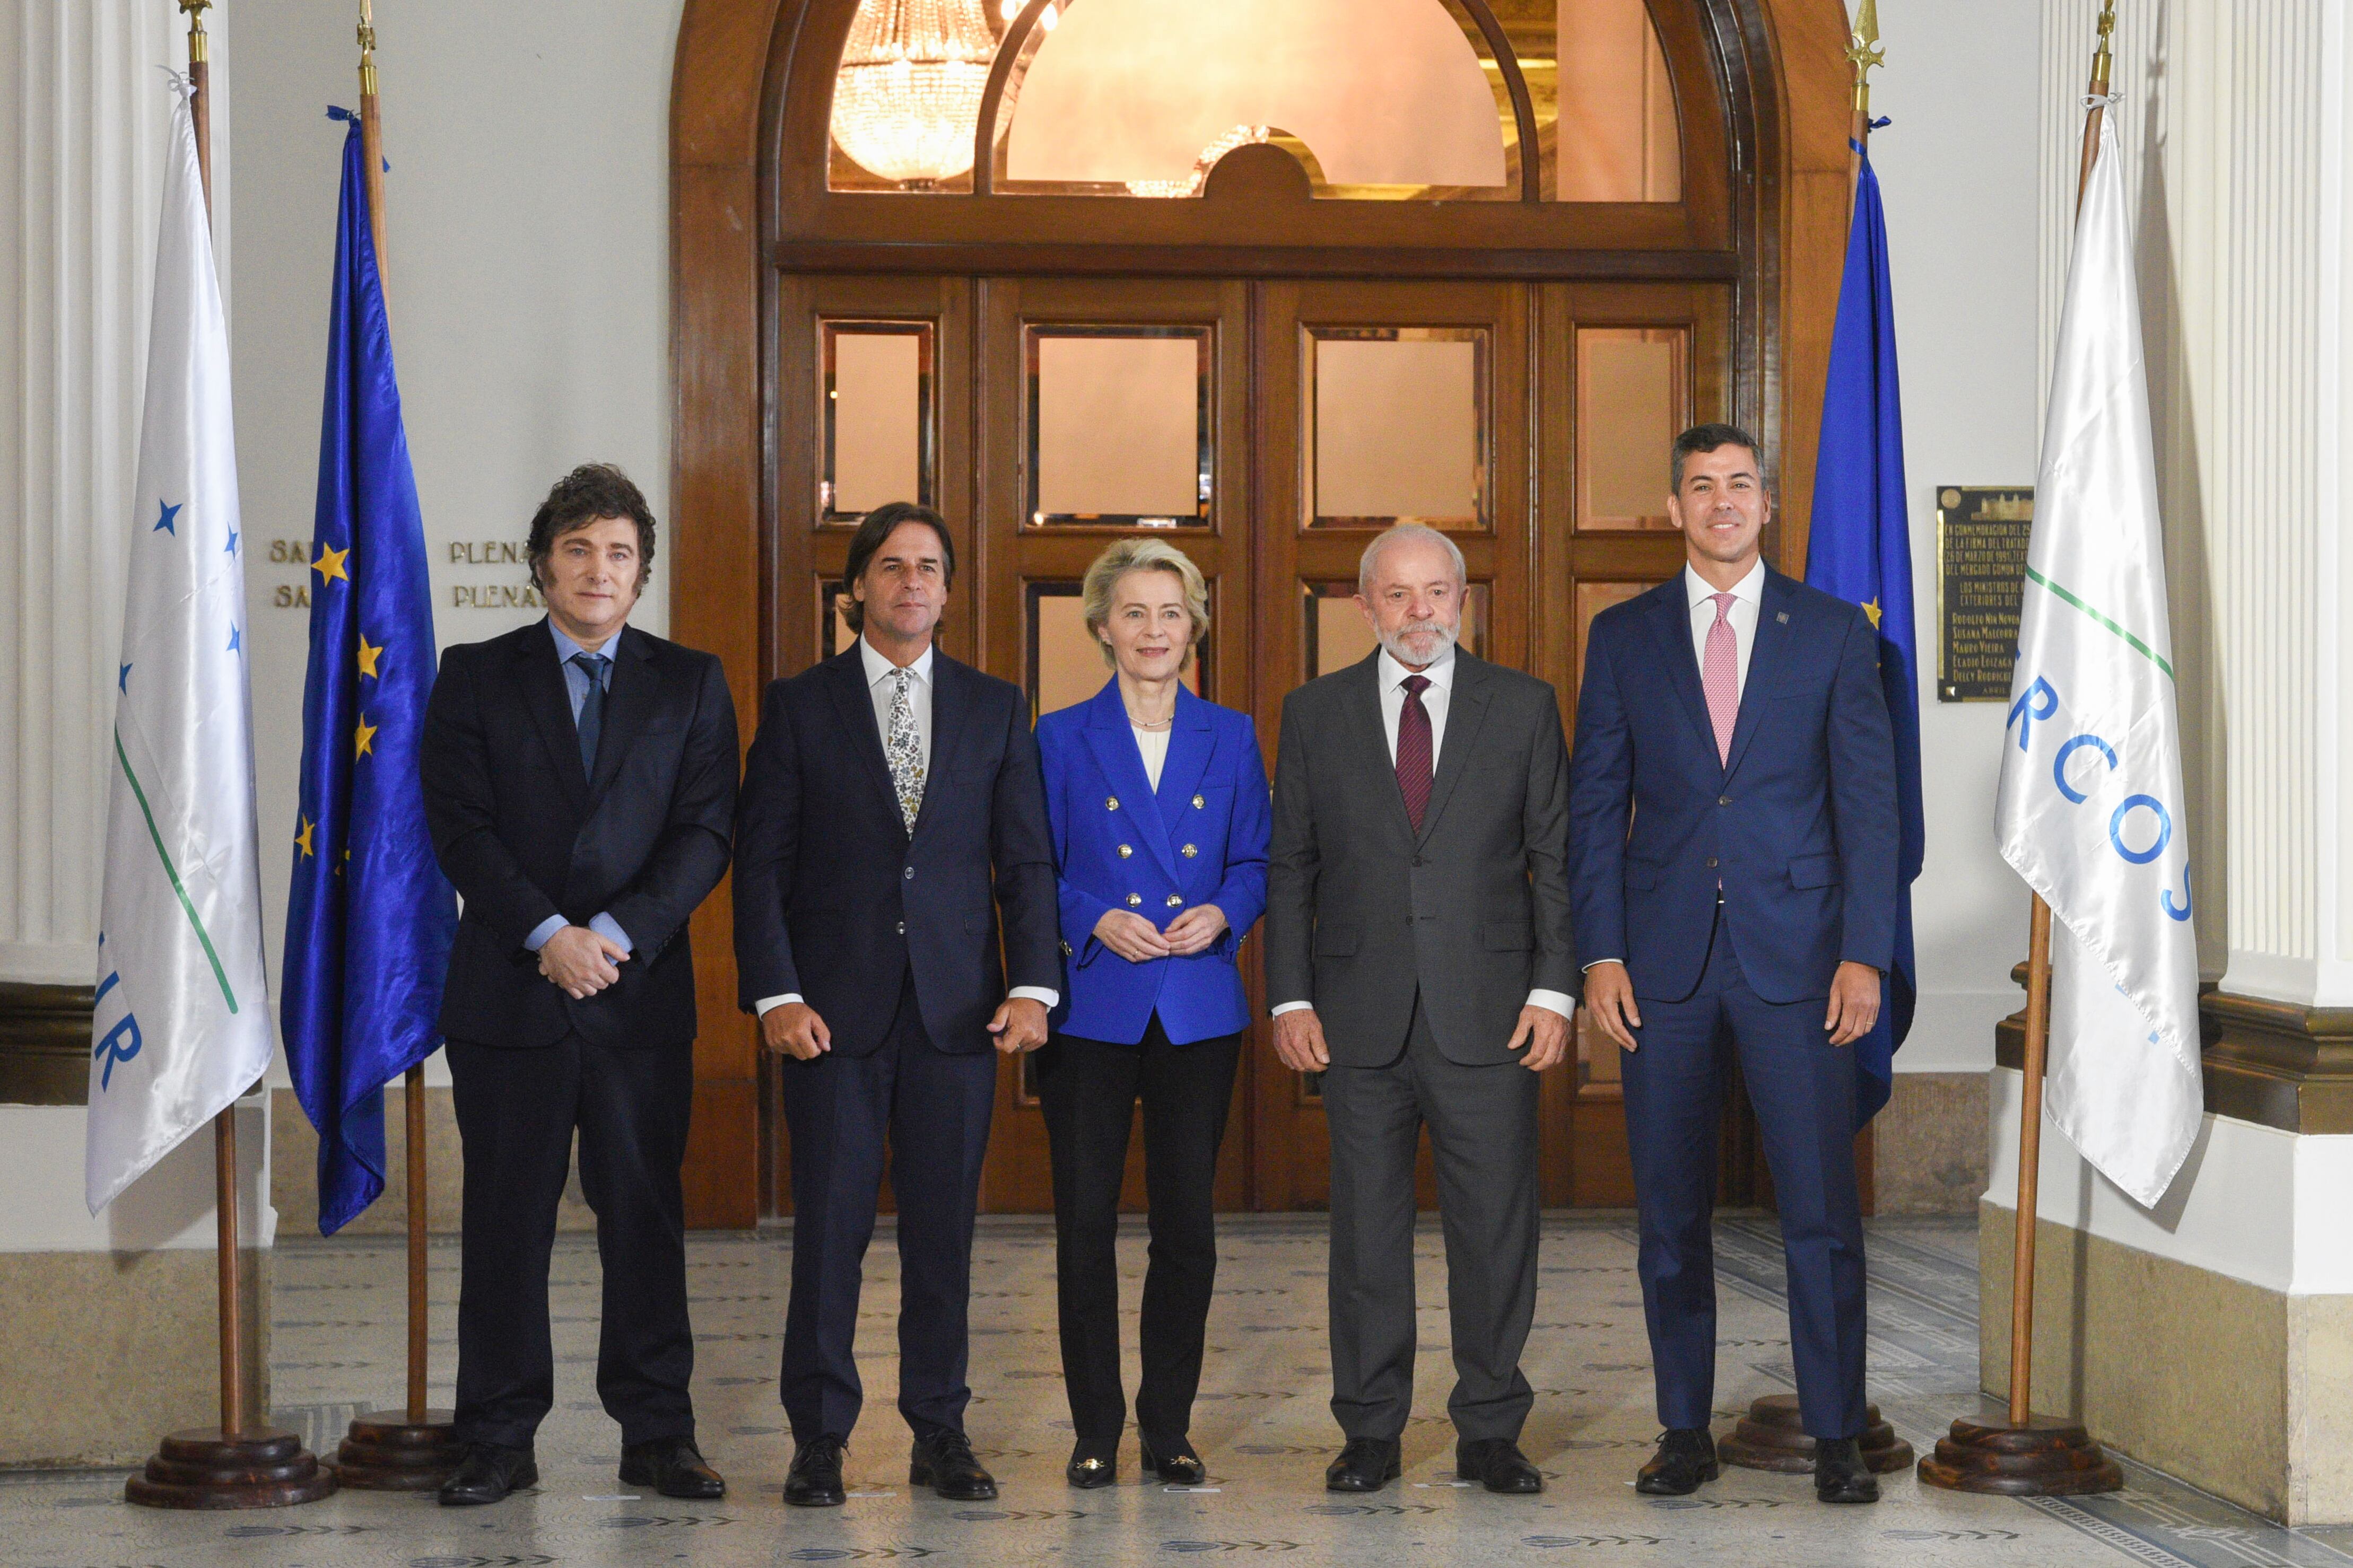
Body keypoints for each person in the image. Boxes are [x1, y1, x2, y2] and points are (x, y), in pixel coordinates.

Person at [1567, 424, 1899, 1506]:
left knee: (1818, 1210)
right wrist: (1600, 954)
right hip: (1660, 965)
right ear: (1673, 507)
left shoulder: (1835, 637)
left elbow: (1869, 808)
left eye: (1739, 485)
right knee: (1669, 1214)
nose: (1721, 503)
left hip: (1800, 962)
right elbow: (1592, 809)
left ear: (1768, 504)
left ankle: (1838, 1433)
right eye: (1701, 487)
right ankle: (1680, 1429)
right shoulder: (1621, 637)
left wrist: (1864, 956)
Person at [419, 463, 738, 1505]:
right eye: (578, 549)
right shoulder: (473, 674)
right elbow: (459, 827)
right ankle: (498, 1440)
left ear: (641, 574)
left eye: (619, 553)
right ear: (542, 563)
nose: (599, 570)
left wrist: (612, 934)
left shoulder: (690, 682)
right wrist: (549, 932)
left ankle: (658, 1434)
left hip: (637, 998)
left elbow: (704, 833)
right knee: (505, 1223)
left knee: (645, 1219)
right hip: (511, 995)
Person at [733, 501, 1060, 1507]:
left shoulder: (997, 706)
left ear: (949, 592)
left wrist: (1034, 984)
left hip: (959, 1016)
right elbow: (761, 865)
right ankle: (820, 1438)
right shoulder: (799, 705)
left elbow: (1025, 861)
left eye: (928, 568)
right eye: (891, 566)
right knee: (830, 1236)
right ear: (856, 591)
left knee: (943, 1238)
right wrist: (777, 994)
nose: (912, 582)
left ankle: (941, 1432)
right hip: (831, 1018)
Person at [1265, 523, 1576, 1497]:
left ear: (1462, 602)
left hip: (1489, 1010)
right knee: (1365, 1233)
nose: (1419, 613)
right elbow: (1292, 867)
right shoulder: (1313, 713)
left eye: (1436, 593)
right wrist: (1289, 993)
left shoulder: (1522, 707)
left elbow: (1555, 861)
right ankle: (1370, 1429)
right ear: (1364, 607)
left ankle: (1489, 1428)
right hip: (1355, 1015)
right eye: (1397, 596)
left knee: (1494, 1229)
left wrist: (1553, 987)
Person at [1033, 540, 1270, 1490]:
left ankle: (1167, 1425)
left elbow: (1255, 860)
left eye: (1171, 613)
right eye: (1133, 613)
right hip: (1094, 1002)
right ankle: (1095, 1427)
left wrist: (1226, 909)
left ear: (1194, 625)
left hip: (1197, 1000)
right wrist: (1092, 914)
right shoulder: (1056, 735)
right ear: (1101, 628)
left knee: (1187, 1227)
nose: (1154, 631)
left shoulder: (1234, 733)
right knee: (1085, 1223)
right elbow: (1028, 869)